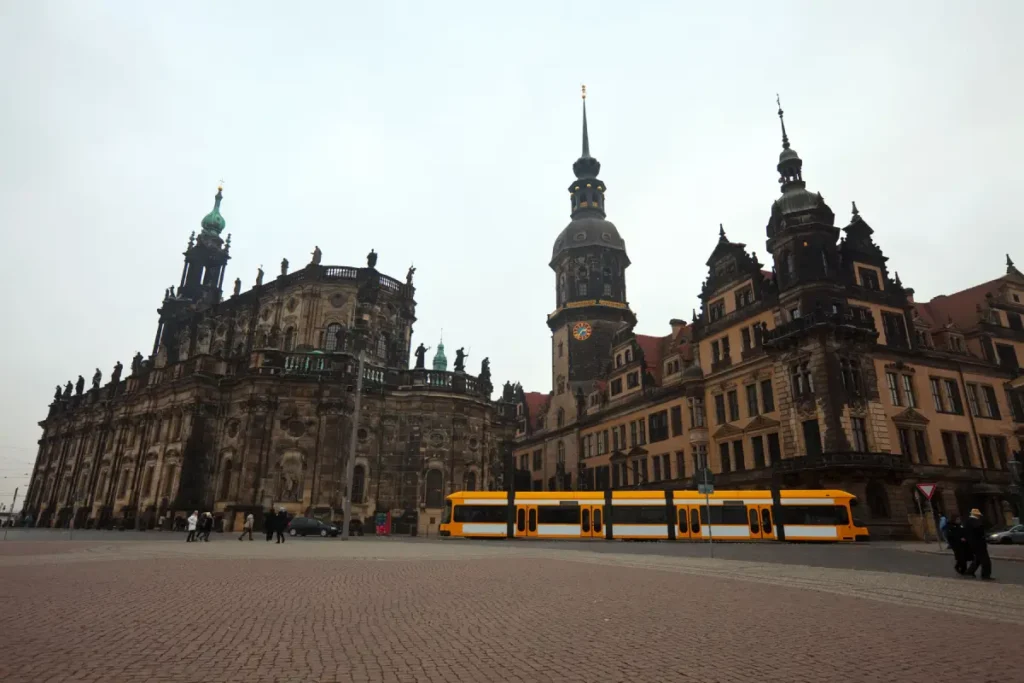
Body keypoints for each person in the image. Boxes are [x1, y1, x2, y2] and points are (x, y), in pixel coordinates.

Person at [964, 508, 993, 580]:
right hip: (979, 544)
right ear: (977, 515)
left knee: (978, 559)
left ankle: (969, 571)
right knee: (985, 560)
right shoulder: (975, 522)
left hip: (973, 544)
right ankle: (985, 575)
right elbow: (980, 531)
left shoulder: (967, 522)